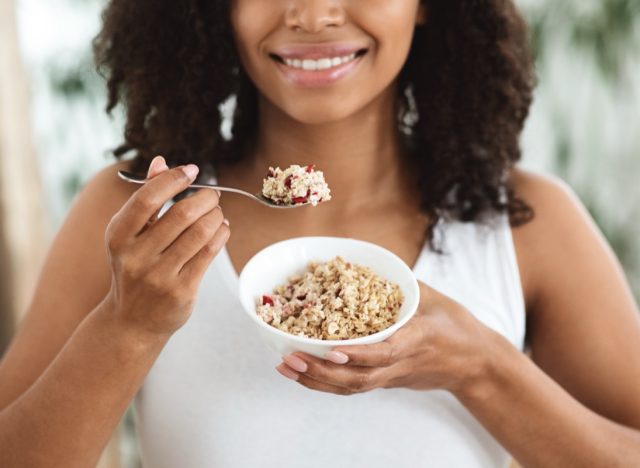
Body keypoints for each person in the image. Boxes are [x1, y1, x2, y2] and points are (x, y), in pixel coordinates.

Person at [1, 0, 639, 466]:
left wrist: (483, 367)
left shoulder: (527, 224)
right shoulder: (135, 219)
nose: (312, 13)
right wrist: (127, 325)